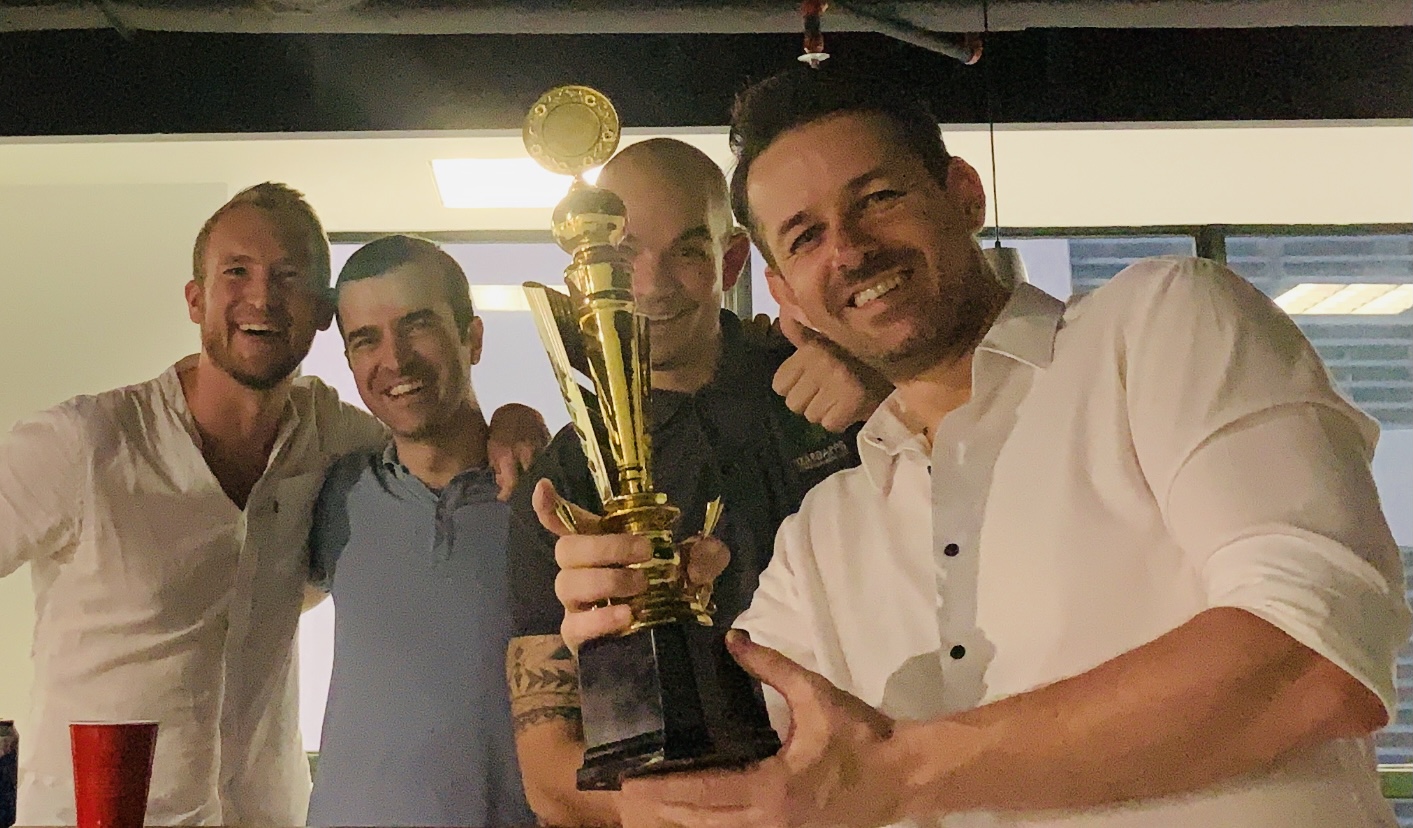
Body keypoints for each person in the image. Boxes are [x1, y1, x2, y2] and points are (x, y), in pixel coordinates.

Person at [545, 68, 1412, 828]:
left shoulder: (1157, 327)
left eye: (877, 196)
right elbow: (757, 790)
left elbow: (1308, 658)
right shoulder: (826, 531)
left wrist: (901, 774)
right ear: (783, 290)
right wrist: (647, 639)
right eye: (805, 236)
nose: (849, 249)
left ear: (961, 192)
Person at [0, 184, 545, 826]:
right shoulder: (86, 443)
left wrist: (517, 418)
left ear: (319, 312)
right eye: (237, 272)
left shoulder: (334, 443)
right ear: (195, 299)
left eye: (288, 276)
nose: (261, 297)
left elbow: (436, 432)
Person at [504, 137, 893, 826]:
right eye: (624, 256)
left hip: (878, 791)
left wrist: (885, 405)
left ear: (732, 258)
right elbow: (546, 765)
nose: (651, 285)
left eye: (686, 250)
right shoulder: (565, 472)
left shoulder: (831, 379)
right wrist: (686, 813)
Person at [303, 234, 540, 827]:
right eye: (366, 340)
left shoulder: (550, 495)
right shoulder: (334, 490)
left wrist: (521, 418)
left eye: (417, 326)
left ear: (473, 338)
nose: (396, 360)